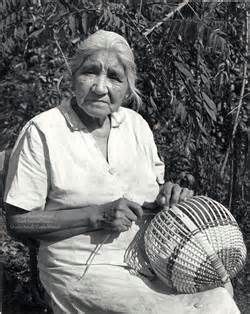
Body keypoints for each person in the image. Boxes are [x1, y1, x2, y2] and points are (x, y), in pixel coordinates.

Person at [4, 30, 240, 314]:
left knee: (219, 294)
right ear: (73, 78)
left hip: (155, 262)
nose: (100, 88)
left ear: (128, 88)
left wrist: (169, 196)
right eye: (90, 73)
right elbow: (19, 223)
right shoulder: (43, 131)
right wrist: (96, 215)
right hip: (83, 271)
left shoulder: (135, 125)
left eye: (114, 77)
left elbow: (153, 193)